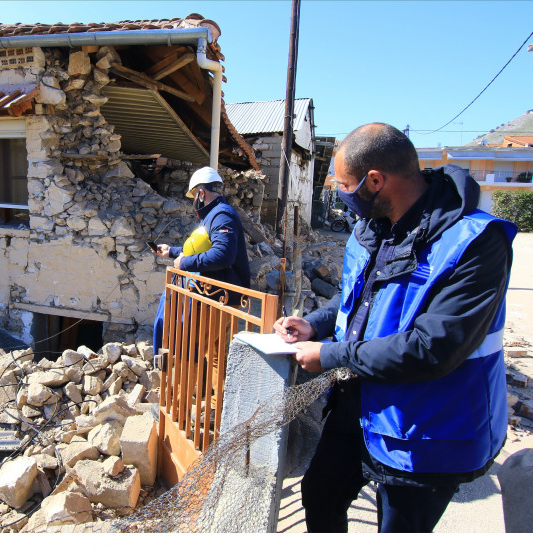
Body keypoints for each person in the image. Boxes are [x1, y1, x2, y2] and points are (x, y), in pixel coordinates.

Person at [273, 123, 516, 533]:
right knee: (320, 494)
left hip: (429, 427)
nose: (342, 195)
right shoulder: (373, 228)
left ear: (374, 181)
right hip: (362, 403)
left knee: (400, 529)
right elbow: (356, 298)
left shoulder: (475, 243)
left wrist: (330, 355)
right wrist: (313, 325)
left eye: (345, 186)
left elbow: (431, 348)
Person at [151, 166, 251, 351]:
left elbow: (223, 255)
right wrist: (172, 251)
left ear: (202, 193)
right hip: (218, 295)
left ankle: (195, 381)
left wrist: (184, 263)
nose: (194, 201)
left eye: (194, 196)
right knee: (213, 354)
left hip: (221, 296)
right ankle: (210, 381)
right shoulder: (213, 215)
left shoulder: (221, 216)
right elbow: (205, 248)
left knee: (197, 350)